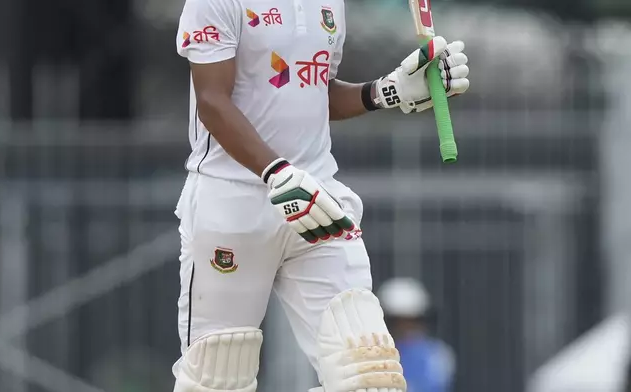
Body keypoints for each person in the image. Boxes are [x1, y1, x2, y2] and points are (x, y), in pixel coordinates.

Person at [172, 0, 470, 390]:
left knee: (370, 378)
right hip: (233, 203)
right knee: (217, 378)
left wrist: (385, 91)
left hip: (318, 200)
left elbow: (315, 93)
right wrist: (276, 172)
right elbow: (212, 100)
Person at [378, 277, 456, 392]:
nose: (406, 328)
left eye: (413, 321)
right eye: (398, 322)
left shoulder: (437, 354)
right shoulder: (374, 355)